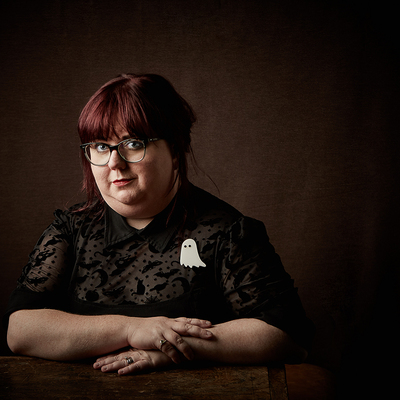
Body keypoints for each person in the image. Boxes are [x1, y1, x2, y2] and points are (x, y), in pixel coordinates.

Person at [4, 73, 314, 375]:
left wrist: (171, 350)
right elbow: (20, 331)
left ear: (175, 150)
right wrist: (131, 329)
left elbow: (287, 337)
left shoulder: (229, 233)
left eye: (132, 143)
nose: (114, 162)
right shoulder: (70, 230)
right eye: (100, 146)